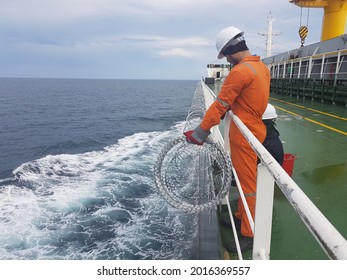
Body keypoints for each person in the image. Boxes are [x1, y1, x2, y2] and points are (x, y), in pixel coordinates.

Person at [184, 26, 270, 253]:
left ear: (231, 51)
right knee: (242, 181)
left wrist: (199, 134)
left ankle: (249, 234)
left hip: (244, 135)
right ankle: (241, 216)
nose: (227, 60)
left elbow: (220, 105)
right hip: (257, 128)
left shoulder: (240, 72)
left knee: (247, 186)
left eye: (226, 55)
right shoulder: (261, 67)